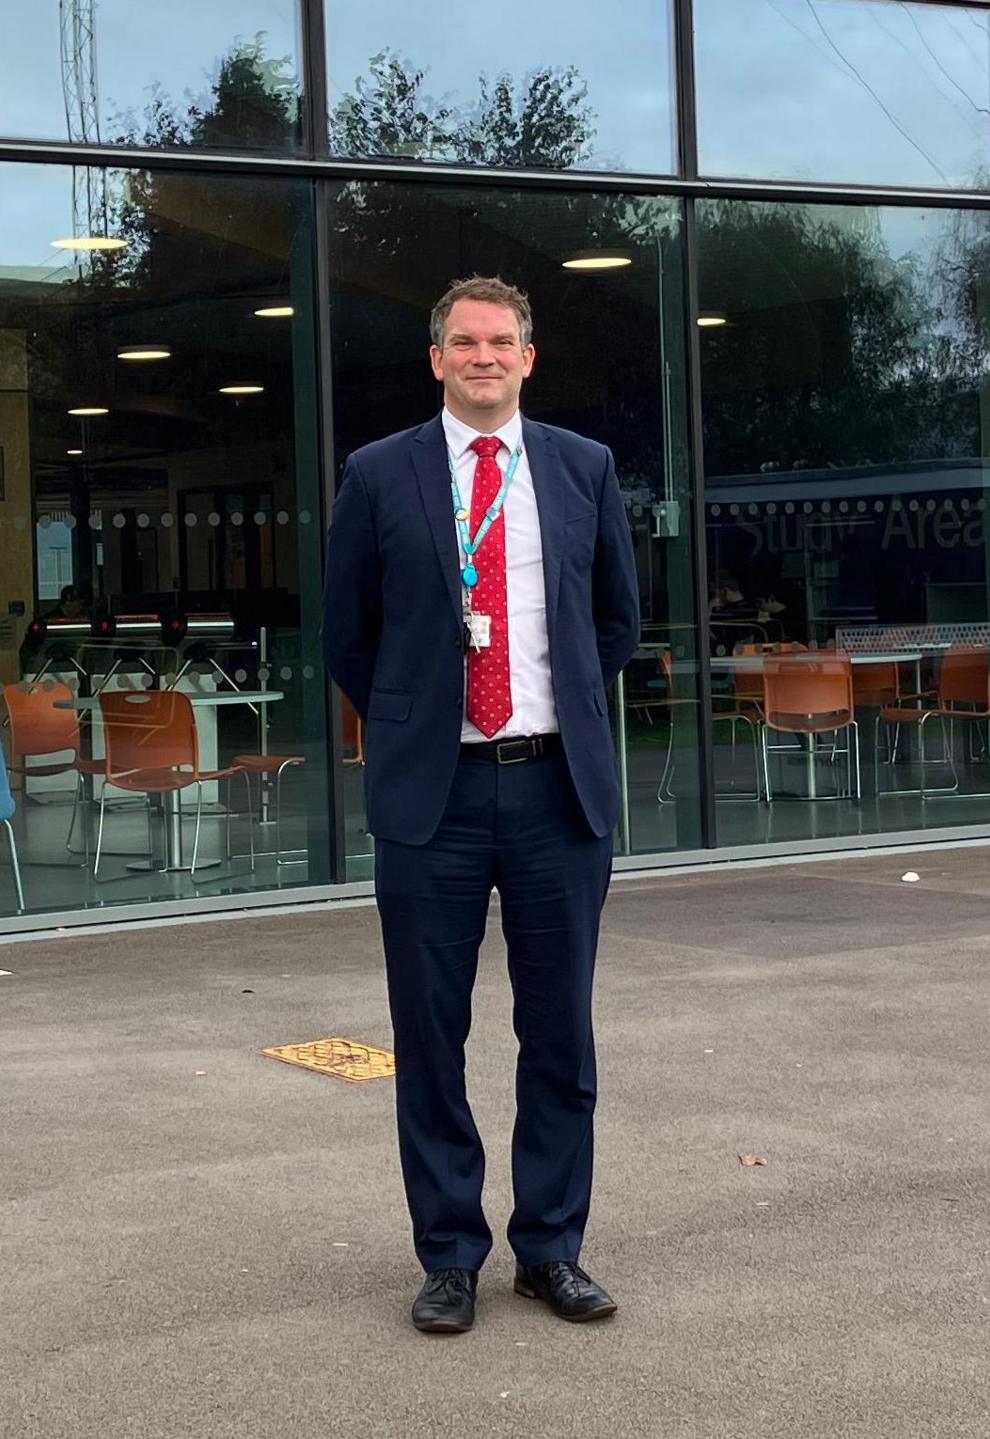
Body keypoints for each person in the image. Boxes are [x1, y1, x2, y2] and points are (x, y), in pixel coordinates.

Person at [323, 275, 640, 1334]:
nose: (483, 356)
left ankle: (550, 1248)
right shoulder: (377, 473)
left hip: (557, 789)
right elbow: (346, 635)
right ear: (437, 359)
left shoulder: (583, 468)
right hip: (435, 796)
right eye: (464, 342)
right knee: (430, 1033)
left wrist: (553, 715)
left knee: (560, 1032)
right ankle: (450, 1252)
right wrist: (418, 719)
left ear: (529, 357)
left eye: (501, 341)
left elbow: (616, 623)